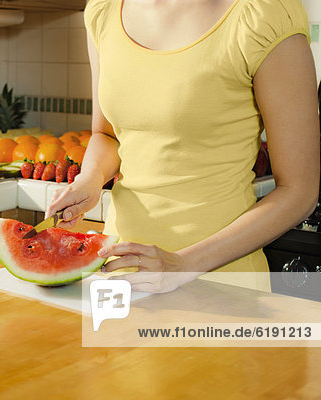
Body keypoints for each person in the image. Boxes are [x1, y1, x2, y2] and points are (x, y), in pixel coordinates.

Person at [46, 0, 320, 293]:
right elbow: (108, 135)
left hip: (221, 286)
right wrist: (91, 179)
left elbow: (299, 191)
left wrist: (181, 265)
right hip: (119, 276)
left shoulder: (263, 14)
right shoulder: (104, 10)